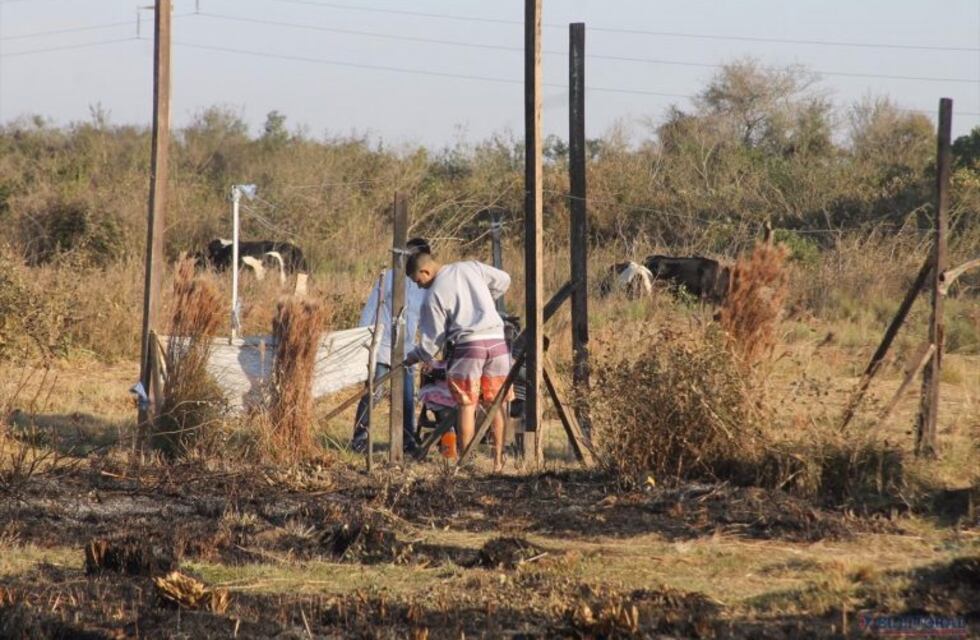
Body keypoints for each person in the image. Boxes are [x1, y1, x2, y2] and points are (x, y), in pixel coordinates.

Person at [404, 251, 512, 472]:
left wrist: (414, 356)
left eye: (418, 281)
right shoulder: (470, 267)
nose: (419, 286)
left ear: (426, 271)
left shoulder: (433, 294)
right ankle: (498, 461)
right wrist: (484, 300)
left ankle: (465, 462)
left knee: (466, 404)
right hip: (497, 341)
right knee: (496, 403)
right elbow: (504, 280)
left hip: (469, 345)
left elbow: (432, 342)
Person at [350, 237, 430, 456]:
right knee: (373, 393)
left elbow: (424, 320)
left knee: (406, 396)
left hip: (406, 351)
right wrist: (365, 342)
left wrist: (426, 350)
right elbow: (370, 309)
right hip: (383, 347)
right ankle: (359, 438)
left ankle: (407, 440)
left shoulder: (423, 285)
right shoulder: (389, 278)